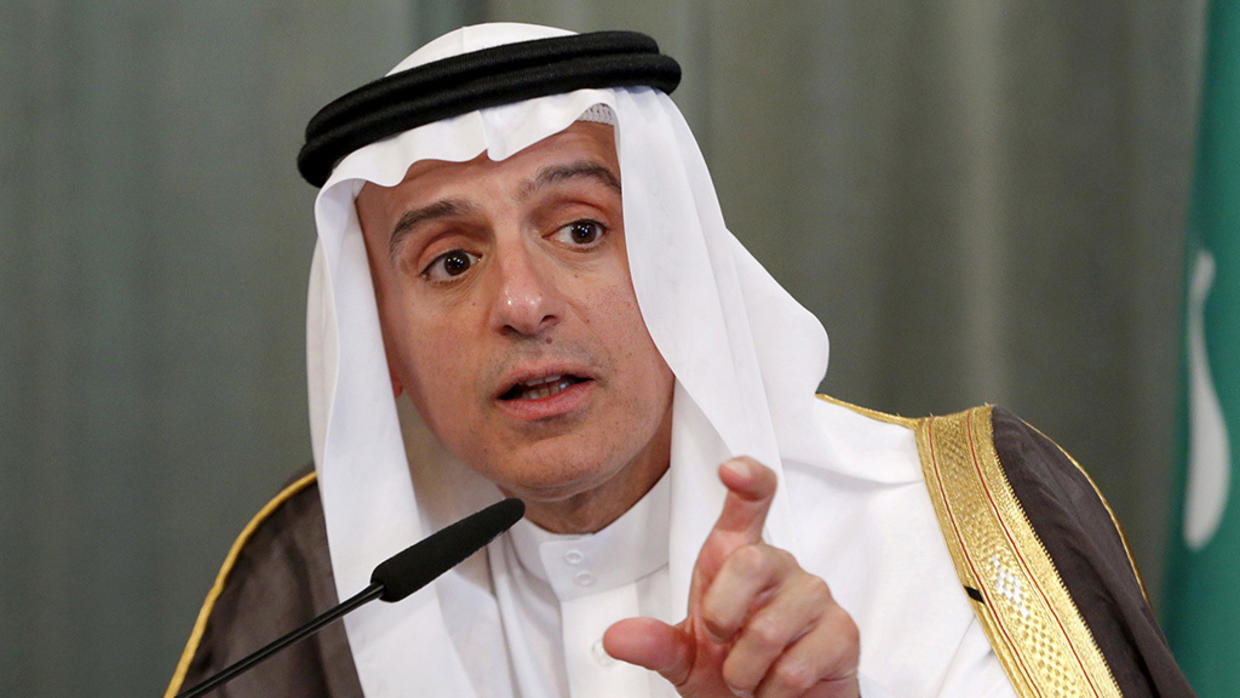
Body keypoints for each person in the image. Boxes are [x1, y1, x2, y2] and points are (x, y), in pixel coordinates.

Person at [165, 23, 1192, 698]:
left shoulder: (956, 523)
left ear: (681, 264)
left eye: (580, 231)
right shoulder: (323, 591)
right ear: (380, 343)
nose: (520, 303)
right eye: (451, 261)